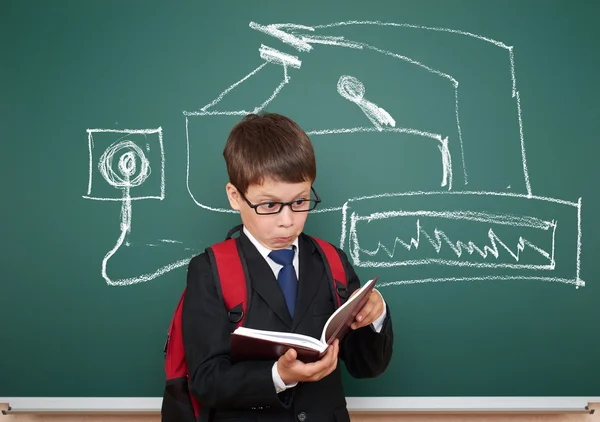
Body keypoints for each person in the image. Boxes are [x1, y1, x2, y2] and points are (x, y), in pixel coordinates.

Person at [182, 112, 394, 422]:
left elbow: (367, 366)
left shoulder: (332, 260)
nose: (287, 220)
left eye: (300, 201)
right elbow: (204, 380)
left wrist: (376, 316)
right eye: (269, 205)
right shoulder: (210, 269)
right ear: (235, 197)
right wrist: (276, 376)